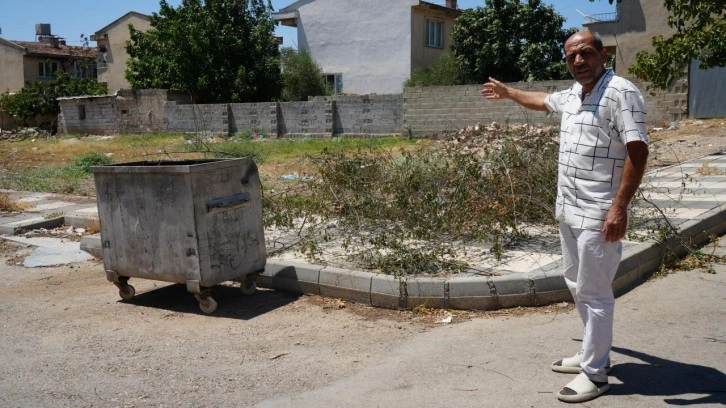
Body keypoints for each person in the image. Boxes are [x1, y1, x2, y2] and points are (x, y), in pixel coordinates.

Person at [481, 30, 649, 403]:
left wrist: (619, 207)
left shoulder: (622, 92)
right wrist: (510, 94)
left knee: (595, 293)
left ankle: (595, 373)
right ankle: (592, 353)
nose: (578, 61)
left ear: (602, 54)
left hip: (599, 213)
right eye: (572, 56)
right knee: (576, 283)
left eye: (586, 53)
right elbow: (543, 100)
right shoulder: (574, 94)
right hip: (569, 210)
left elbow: (638, 152)